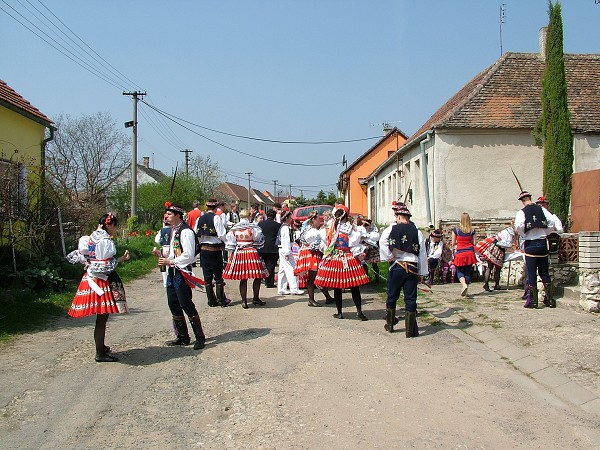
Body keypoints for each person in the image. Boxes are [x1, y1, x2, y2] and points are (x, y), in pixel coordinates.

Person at [66, 212, 130, 362]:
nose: (115, 229)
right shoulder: (105, 240)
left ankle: (101, 347)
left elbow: (85, 257)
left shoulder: (91, 237)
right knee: (102, 317)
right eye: (115, 226)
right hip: (101, 281)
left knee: (101, 317)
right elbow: (104, 266)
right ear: (108, 225)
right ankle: (100, 353)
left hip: (91, 278)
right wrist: (121, 259)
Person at [157, 202, 206, 350]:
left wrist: (170, 261)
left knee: (186, 304)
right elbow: (173, 251)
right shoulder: (173, 230)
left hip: (181, 272)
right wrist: (163, 256)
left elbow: (189, 255)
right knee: (173, 303)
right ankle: (183, 336)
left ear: (178, 216)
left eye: (170, 214)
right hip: (172, 272)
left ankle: (200, 337)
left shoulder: (186, 232)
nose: (166, 216)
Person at [379, 204, 427, 336]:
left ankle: (390, 325)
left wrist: (389, 257)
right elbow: (422, 253)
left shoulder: (391, 229)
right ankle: (409, 331)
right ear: (408, 217)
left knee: (392, 295)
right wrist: (422, 272)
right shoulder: (417, 232)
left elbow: (382, 241)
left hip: (397, 266)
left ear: (399, 217)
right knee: (410, 298)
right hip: (412, 267)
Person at [315, 204, 370, 320]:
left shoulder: (330, 229)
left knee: (337, 287)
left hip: (334, 258)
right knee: (354, 286)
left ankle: (340, 312)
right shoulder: (351, 229)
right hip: (349, 258)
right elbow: (354, 243)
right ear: (346, 216)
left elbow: (325, 243)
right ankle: (359, 312)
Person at [514, 191, 558, 308]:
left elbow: (518, 226)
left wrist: (524, 234)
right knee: (544, 272)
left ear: (523, 201)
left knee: (532, 273)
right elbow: (552, 221)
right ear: (530, 198)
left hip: (531, 244)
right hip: (543, 243)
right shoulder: (542, 209)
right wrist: (545, 231)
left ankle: (533, 301)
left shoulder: (522, 212)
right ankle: (549, 300)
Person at [223, 209, 269, 308]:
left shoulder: (234, 228)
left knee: (243, 278)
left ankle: (244, 301)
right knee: (258, 275)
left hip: (239, 252)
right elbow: (259, 240)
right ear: (249, 217)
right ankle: (256, 298)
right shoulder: (253, 227)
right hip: (251, 252)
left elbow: (230, 243)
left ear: (240, 217)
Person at [294, 210, 333, 307]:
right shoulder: (313, 231)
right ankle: (312, 299)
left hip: (311, 253)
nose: (320, 221)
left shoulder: (308, 229)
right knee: (314, 277)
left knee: (317, 276)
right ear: (314, 220)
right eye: (318, 219)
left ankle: (326, 297)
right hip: (311, 254)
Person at [196, 198, 229, 307]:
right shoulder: (216, 218)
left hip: (203, 249)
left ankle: (211, 300)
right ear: (216, 207)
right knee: (218, 275)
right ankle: (221, 300)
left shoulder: (200, 218)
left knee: (207, 275)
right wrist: (226, 243)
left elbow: (197, 233)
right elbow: (221, 234)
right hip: (214, 249)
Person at [475, 224, 516, 291]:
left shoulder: (504, 231)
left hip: (493, 247)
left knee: (490, 267)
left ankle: (487, 284)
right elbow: (505, 244)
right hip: (498, 249)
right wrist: (511, 247)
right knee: (497, 268)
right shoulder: (509, 234)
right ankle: (496, 284)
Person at [277, 210, 304, 295]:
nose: (291, 218)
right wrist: (287, 253)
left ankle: (281, 288)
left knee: (282, 269)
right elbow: (286, 241)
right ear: (287, 218)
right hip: (285, 250)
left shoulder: (284, 227)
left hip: (282, 249)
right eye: (290, 217)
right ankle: (294, 288)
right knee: (292, 268)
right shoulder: (285, 228)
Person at [452, 213, 478, 297]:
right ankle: (466, 290)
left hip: (460, 252)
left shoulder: (456, 230)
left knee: (459, 271)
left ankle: (464, 285)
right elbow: (474, 243)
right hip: (470, 253)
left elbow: (453, 243)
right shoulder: (472, 230)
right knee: (467, 271)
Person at [258, 209, 281, 288]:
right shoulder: (278, 225)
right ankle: (269, 282)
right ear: (274, 216)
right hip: (273, 247)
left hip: (262, 246)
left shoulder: (260, 224)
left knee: (263, 264)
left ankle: (263, 279)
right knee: (271, 265)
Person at [356, 217, 381, 284]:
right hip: (364, 248)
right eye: (365, 225)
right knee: (364, 264)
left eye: (367, 225)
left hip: (372, 249)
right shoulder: (361, 229)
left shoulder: (374, 230)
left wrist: (367, 236)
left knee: (374, 264)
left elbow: (376, 237)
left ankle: (377, 280)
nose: (366, 227)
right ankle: (366, 278)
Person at [154, 215, 171, 287]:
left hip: (164, 248)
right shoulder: (172, 229)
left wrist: (162, 242)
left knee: (163, 264)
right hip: (171, 248)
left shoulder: (162, 230)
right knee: (170, 263)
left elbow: (157, 240)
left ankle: (165, 282)